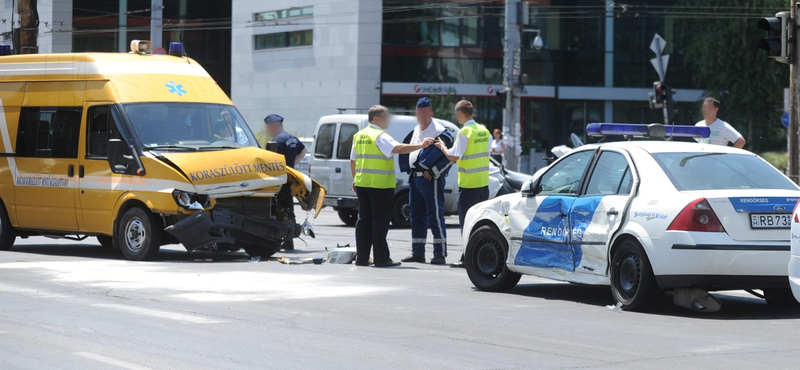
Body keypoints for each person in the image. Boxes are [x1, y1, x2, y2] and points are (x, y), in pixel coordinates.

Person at [350, 105, 434, 267]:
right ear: (376, 119)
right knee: (380, 222)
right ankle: (381, 258)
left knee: (363, 221)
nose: (389, 119)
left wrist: (355, 178)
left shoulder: (359, 135)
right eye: (386, 116)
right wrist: (421, 146)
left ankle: (362, 258)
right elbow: (398, 148)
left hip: (362, 184)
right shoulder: (380, 136)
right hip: (380, 185)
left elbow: (353, 160)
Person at [398, 97, 454, 265]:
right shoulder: (416, 130)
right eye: (418, 113)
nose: (421, 116)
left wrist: (435, 171)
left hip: (431, 180)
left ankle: (439, 254)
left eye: (424, 113)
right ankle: (418, 253)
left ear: (430, 113)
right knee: (416, 216)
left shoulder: (439, 130)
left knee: (435, 216)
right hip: (415, 179)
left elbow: (449, 156)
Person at [435, 100, 491, 268]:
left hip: (468, 186)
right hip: (483, 185)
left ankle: (467, 258)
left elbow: (453, 157)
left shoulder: (464, 132)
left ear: (460, 113)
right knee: (480, 224)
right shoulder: (483, 130)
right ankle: (476, 256)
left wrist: (443, 147)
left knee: (467, 225)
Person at [264, 113, 306, 251]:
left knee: (279, 209)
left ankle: (282, 239)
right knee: (289, 209)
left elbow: (271, 161)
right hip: (290, 178)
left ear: (275, 125)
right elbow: (303, 150)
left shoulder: (277, 141)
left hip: (280, 180)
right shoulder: (291, 138)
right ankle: (289, 241)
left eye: (268, 127)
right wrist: (292, 164)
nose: (267, 130)